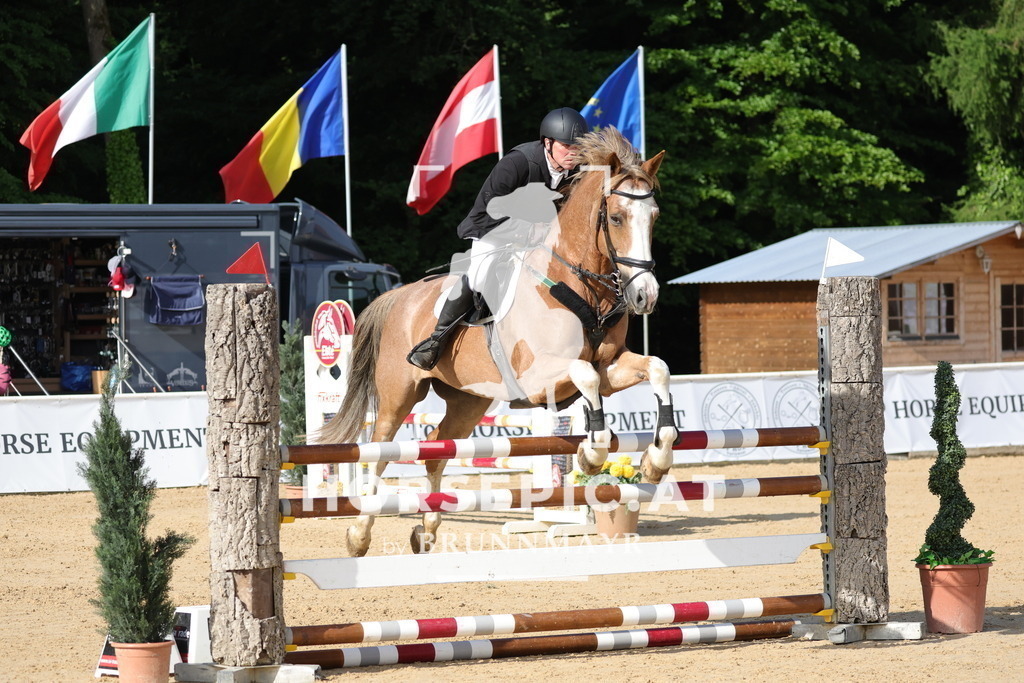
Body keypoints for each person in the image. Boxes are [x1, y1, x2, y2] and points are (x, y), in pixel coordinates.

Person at [407, 107, 588, 370]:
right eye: (566, 146)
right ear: (547, 143)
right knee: (480, 274)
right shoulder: (517, 163)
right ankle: (435, 340)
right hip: (493, 229)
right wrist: (528, 228)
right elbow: (492, 207)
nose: (573, 152)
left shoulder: (578, 169)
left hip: (541, 240)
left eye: (577, 147)